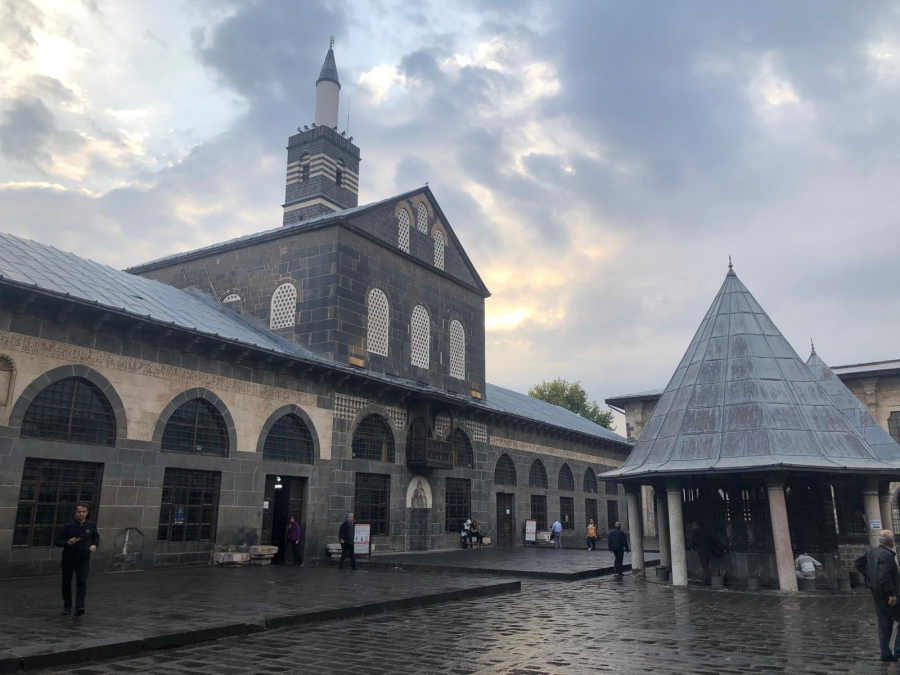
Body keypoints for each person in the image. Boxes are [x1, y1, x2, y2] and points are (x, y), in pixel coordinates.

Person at [856, 530, 900, 662]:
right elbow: (884, 577)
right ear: (891, 542)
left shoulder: (872, 551)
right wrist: (892, 595)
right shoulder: (886, 556)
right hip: (888, 595)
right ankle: (898, 651)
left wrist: (869, 576)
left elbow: (858, 563)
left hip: (877, 593)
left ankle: (885, 653)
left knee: (884, 623)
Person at [53, 502, 99, 616]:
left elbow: (95, 537)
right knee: (66, 583)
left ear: (87, 513)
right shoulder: (68, 526)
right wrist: (67, 543)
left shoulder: (91, 525)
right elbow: (57, 541)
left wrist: (95, 545)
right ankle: (67, 605)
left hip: (83, 558)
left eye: (83, 512)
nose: (81, 514)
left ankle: (80, 606)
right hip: (69, 558)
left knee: (82, 582)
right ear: (75, 513)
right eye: (79, 512)